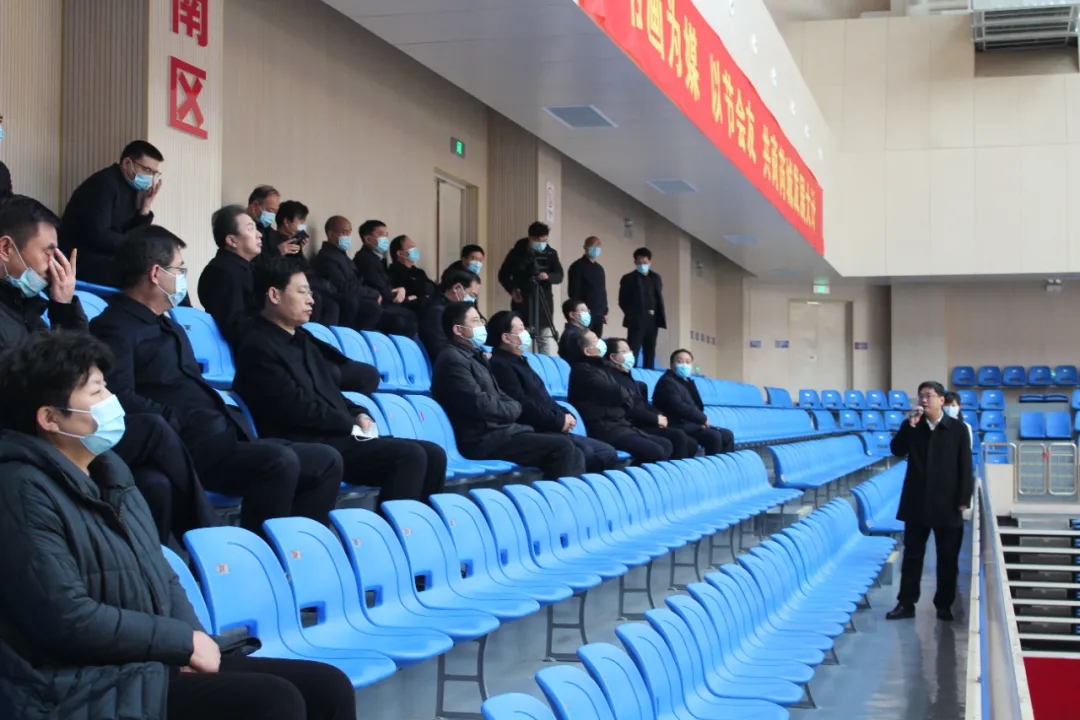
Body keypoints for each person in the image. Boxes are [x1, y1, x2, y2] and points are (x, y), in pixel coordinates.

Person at [0, 331, 356, 720]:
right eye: (97, 391)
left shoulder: (111, 473)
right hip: (73, 685)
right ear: (50, 418)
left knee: (328, 686)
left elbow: (162, 574)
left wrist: (193, 642)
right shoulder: (19, 489)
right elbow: (67, 618)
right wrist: (180, 643)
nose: (111, 401)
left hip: (143, 661)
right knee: (274, 701)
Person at [89, 225, 343, 541]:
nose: (182, 278)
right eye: (179, 270)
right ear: (156, 274)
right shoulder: (115, 327)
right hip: (186, 446)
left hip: (220, 435)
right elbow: (118, 396)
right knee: (279, 462)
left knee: (325, 460)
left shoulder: (169, 325)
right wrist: (179, 419)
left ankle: (300, 551)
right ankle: (256, 557)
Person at [1, 196, 216, 543]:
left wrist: (64, 306)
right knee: (153, 429)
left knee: (155, 484)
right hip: (29, 435)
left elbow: (81, 364)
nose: (55, 265)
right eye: (48, 253)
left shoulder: (29, 311)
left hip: (59, 427)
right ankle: (211, 537)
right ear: (6, 249)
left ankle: (158, 565)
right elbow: (29, 383)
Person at [234, 256, 445, 506]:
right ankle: (397, 528)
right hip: (305, 441)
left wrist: (359, 413)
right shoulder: (257, 346)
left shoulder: (304, 341)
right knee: (410, 456)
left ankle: (419, 526)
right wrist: (349, 424)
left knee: (434, 454)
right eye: (302, 292)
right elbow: (294, 407)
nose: (311, 300)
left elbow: (329, 392)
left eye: (310, 292)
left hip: (334, 434)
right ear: (274, 295)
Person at [432, 301, 585, 479]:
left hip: (503, 432)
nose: (482, 325)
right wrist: (512, 409)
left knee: (574, 448)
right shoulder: (453, 360)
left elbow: (503, 398)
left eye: (481, 320)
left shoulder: (475, 357)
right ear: (458, 330)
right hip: (483, 440)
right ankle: (556, 497)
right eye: (475, 321)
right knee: (563, 448)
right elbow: (480, 404)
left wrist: (512, 408)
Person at [487, 310, 618, 474]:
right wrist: (558, 420)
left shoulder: (521, 361)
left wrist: (565, 414)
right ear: (506, 338)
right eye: (520, 329)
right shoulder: (500, 365)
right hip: (534, 428)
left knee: (607, 452)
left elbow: (543, 397)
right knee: (584, 453)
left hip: (549, 424)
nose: (526, 333)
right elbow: (522, 404)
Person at [886, 381, 974, 622]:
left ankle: (944, 605)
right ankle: (906, 603)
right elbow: (896, 449)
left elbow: (965, 465)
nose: (923, 400)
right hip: (917, 501)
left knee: (947, 558)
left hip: (948, 503)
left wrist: (964, 498)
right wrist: (909, 426)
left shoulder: (957, 429)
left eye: (928, 396)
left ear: (941, 400)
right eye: (920, 396)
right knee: (912, 556)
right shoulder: (913, 425)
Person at [58, 140, 164, 287]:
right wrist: (135, 248)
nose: (151, 178)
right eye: (147, 170)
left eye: (154, 173)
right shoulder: (104, 183)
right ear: (127, 164)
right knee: (144, 277)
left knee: (159, 271)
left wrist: (145, 206)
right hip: (82, 259)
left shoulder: (129, 187)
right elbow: (100, 235)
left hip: (106, 257)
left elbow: (130, 232)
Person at [568, 333, 672, 464]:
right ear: (588, 351)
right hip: (604, 429)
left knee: (666, 445)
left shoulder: (602, 368)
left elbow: (624, 395)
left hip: (620, 425)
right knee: (654, 451)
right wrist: (624, 395)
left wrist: (624, 395)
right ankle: (633, 476)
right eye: (596, 341)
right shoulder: (582, 370)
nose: (601, 343)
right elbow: (616, 392)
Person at [197, 204, 263, 349]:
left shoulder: (244, 268)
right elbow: (235, 325)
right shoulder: (222, 271)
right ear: (231, 241)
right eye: (250, 229)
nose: (259, 234)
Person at [498, 222, 563, 355]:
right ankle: (523, 362)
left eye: (544, 240)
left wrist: (548, 276)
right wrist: (512, 290)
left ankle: (544, 366)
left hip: (543, 302)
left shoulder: (551, 253)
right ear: (530, 237)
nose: (541, 244)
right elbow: (503, 275)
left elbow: (559, 275)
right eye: (538, 240)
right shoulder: (517, 253)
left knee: (544, 339)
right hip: (523, 300)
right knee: (522, 338)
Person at [653, 349, 735, 455]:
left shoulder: (686, 381)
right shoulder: (667, 382)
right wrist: (702, 418)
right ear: (671, 364)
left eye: (688, 362)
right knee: (714, 437)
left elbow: (697, 405)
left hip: (691, 424)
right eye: (679, 361)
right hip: (677, 425)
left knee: (728, 435)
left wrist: (700, 422)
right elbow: (679, 407)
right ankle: (712, 465)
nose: (684, 365)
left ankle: (724, 465)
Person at [311, 215, 382, 332]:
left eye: (349, 233)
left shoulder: (343, 256)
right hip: (343, 298)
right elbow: (344, 286)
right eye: (344, 232)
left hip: (355, 295)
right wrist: (373, 295)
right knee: (370, 307)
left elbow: (358, 281)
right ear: (331, 234)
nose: (348, 237)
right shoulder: (327, 257)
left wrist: (373, 293)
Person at [354, 219, 417, 336]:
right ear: (368, 239)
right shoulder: (364, 259)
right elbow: (378, 286)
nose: (385, 238)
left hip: (386, 301)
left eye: (386, 235)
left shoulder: (378, 259)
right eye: (381, 234)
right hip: (376, 303)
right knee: (405, 318)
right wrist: (402, 297)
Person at [619, 247, 666, 371]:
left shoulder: (656, 278)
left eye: (645, 262)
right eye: (639, 262)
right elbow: (623, 301)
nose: (642, 265)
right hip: (636, 320)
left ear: (650, 262)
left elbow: (657, 297)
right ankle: (630, 373)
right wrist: (632, 314)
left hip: (653, 319)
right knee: (633, 348)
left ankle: (649, 374)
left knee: (650, 349)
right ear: (635, 262)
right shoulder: (628, 278)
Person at [420, 267, 479, 362]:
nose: (473, 300)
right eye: (472, 295)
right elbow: (440, 346)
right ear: (456, 288)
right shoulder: (437, 311)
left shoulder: (455, 309)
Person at [567, 236, 607, 336]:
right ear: (585, 247)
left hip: (598, 313)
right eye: (593, 245)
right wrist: (579, 310)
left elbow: (602, 292)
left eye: (598, 245)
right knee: (583, 339)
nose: (596, 248)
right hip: (584, 314)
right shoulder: (577, 266)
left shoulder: (599, 268)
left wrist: (605, 311)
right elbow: (574, 291)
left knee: (596, 340)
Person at [388, 234, 435, 316]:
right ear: (400, 253)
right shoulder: (393, 272)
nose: (415, 250)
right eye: (411, 247)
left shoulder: (419, 272)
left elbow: (432, 287)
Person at [557, 298, 591, 363]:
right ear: (572, 315)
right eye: (582, 310)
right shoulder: (573, 335)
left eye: (587, 311)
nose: (587, 314)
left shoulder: (578, 332)